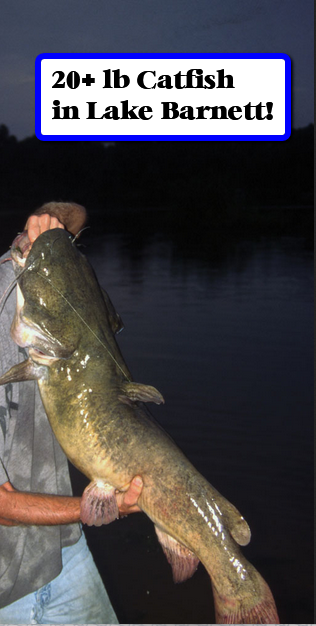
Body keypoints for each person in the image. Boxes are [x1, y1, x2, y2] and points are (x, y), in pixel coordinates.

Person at [0, 202, 143, 624]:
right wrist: (101, 507)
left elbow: (74, 218)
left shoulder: (29, 287)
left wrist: (45, 233)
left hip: (63, 551)